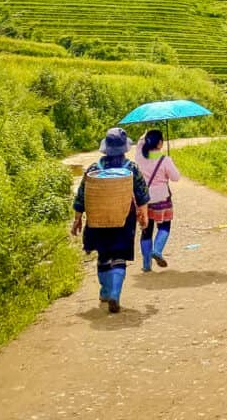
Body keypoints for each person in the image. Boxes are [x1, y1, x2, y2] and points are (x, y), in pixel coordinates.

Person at [71, 127, 150, 314]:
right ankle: (115, 293)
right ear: (124, 149)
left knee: (103, 256)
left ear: (105, 148)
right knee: (119, 256)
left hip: (98, 221)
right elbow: (142, 195)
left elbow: (81, 195)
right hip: (123, 220)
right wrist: (143, 216)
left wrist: (77, 219)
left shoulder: (93, 169)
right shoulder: (131, 168)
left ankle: (105, 291)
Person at [134, 129, 181, 272]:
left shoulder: (140, 158)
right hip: (162, 198)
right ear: (160, 143)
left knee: (146, 231)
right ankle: (158, 250)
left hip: (144, 200)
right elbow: (176, 177)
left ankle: (146, 264)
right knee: (165, 226)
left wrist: (146, 134)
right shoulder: (164, 160)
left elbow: (139, 144)